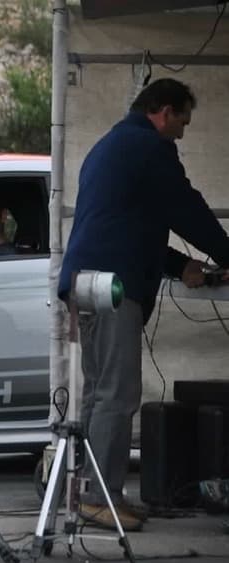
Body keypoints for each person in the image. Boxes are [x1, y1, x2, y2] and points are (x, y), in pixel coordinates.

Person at [59, 78, 229, 532]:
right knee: (118, 394)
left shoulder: (110, 145)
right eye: (182, 122)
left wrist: (180, 266)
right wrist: (227, 253)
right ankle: (101, 499)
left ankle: (91, 492)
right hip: (114, 285)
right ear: (163, 111)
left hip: (86, 281)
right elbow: (184, 207)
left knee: (98, 394)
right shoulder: (149, 146)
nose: (183, 133)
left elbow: (133, 221)